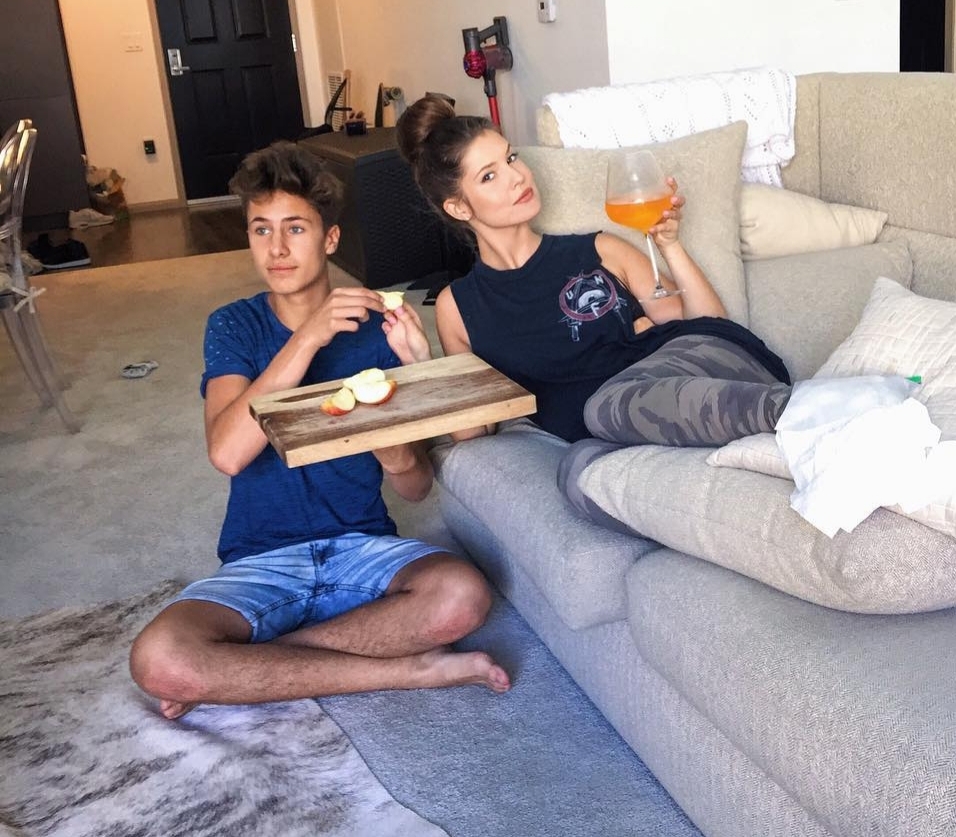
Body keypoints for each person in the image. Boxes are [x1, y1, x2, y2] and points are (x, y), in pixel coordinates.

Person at [130, 142, 509, 720]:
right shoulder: (234, 325)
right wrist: (307, 337)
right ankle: (408, 670)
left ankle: (252, 666)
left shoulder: (378, 328)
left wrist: (402, 435)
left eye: (296, 229)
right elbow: (228, 453)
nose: (277, 249)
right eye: (261, 230)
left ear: (330, 239)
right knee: (158, 658)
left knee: (462, 595)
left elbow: (415, 489)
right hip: (260, 562)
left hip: (363, 549)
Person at [395, 96, 792, 459]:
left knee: (601, 409)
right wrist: (420, 364)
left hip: (709, 369)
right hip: (617, 435)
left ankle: (799, 412)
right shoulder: (458, 306)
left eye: (512, 158)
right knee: (578, 470)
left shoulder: (599, 250)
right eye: (489, 176)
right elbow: (473, 433)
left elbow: (709, 326)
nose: (517, 176)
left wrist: (669, 245)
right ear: (459, 208)